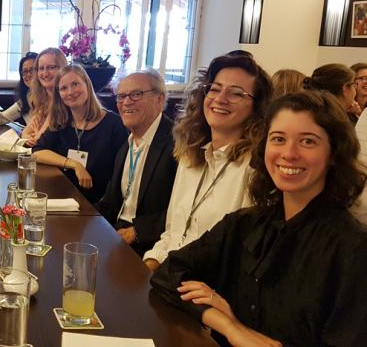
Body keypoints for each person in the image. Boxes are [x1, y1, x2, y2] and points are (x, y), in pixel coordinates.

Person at [150, 90, 367, 347]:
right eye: (278, 139)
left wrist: (238, 328)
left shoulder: (353, 248)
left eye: (308, 141)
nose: (289, 153)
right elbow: (167, 274)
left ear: (334, 154)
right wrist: (229, 326)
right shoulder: (244, 224)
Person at [143, 52, 273, 271]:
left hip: (203, 290)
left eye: (236, 94)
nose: (220, 99)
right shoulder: (190, 157)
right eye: (214, 88)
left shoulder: (254, 169)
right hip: (166, 277)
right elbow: (173, 233)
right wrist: (150, 263)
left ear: (256, 108)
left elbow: (241, 260)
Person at [95, 69, 177, 256]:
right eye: (121, 96)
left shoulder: (178, 143)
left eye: (136, 94)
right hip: (117, 232)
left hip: (152, 245)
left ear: (159, 99)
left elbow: (184, 210)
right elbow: (110, 201)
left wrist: (138, 232)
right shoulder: (128, 143)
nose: (126, 102)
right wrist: (82, 218)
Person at [32, 65, 127, 204]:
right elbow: (37, 151)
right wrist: (75, 164)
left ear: (87, 85)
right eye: (63, 88)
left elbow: (122, 174)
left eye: (75, 84)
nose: (70, 92)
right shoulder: (61, 121)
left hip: (99, 205)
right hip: (63, 199)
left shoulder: (115, 124)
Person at [22, 47, 68, 145]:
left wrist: (35, 134)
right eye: (41, 68)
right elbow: (25, 133)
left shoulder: (65, 100)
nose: (45, 73)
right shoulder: (43, 99)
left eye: (51, 67)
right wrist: (30, 136)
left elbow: (39, 139)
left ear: (62, 69)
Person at [0, 52, 37, 125]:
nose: (29, 74)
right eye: (25, 71)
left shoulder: (49, 99)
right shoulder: (26, 98)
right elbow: (3, 119)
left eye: (32, 70)